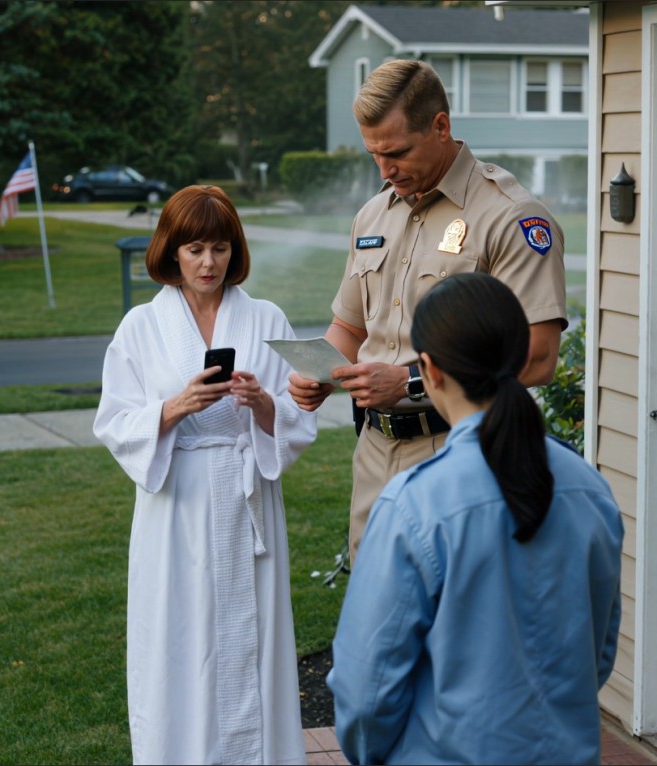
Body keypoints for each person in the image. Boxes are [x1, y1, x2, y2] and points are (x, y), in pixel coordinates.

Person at [327, 272, 624, 766]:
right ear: (518, 358)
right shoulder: (589, 489)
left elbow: (366, 689)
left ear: (430, 370)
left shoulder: (415, 505)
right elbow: (598, 651)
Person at [289, 59, 568, 565]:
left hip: (464, 452)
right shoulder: (373, 214)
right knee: (376, 623)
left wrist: (410, 383)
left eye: (396, 152)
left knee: (455, 620)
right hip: (375, 450)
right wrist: (322, 371)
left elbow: (540, 357)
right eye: (373, 154)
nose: (385, 170)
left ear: (440, 126)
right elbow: (351, 325)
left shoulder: (509, 216)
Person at [93, 185, 317, 765]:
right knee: (178, 641)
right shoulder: (141, 328)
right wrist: (173, 408)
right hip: (177, 505)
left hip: (247, 497)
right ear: (171, 251)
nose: (209, 263)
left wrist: (263, 404)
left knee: (253, 642)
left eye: (219, 248)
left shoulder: (265, 318)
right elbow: (114, 420)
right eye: (195, 249)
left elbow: (296, 417)